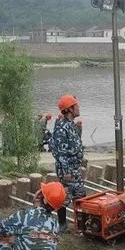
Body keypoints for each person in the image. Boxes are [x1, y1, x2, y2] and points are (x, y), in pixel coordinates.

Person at [50, 95, 85, 234]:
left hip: (75, 169)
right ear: (70, 109)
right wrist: (66, 172)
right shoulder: (61, 128)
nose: (78, 108)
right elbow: (59, 153)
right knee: (64, 197)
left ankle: (81, 225)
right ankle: (62, 225)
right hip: (68, 170)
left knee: (80, 195)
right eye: (76, 106)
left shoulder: (71, 126)